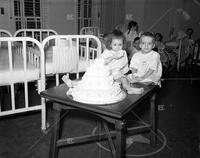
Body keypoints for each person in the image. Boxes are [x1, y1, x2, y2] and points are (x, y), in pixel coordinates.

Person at [100, 29, 144, 94]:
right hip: (107, 73)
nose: (117, 47)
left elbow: (125, 63)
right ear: (110, 44)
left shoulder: (123, 52)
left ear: (123, 44)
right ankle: (114, 86)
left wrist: (124, 72)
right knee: (107, 82)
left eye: (120, 44)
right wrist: (112, 57)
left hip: (117, 73)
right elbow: (101, 62)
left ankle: (129, 89)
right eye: (115, 45)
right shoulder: (107, 52)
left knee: (124, 79)